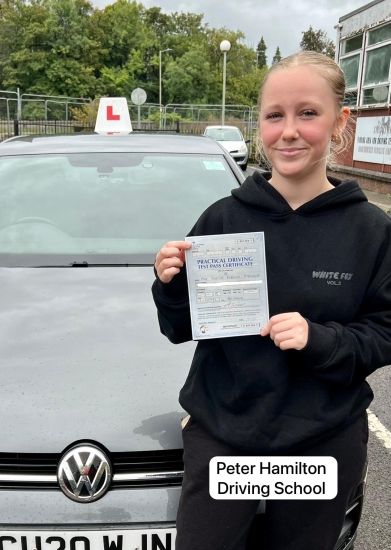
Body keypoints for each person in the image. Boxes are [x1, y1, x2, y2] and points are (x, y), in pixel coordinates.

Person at [151, 51, 391, 550]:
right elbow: (180, 328)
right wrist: (171, 285)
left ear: (340, 121)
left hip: (322, 440)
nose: (289, 131)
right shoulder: (223, 219)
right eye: (274, 115)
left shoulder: (370, 230)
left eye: (308, 112)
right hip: (225, 436)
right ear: (258, 124)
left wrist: (320, 340)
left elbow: (385, 332)